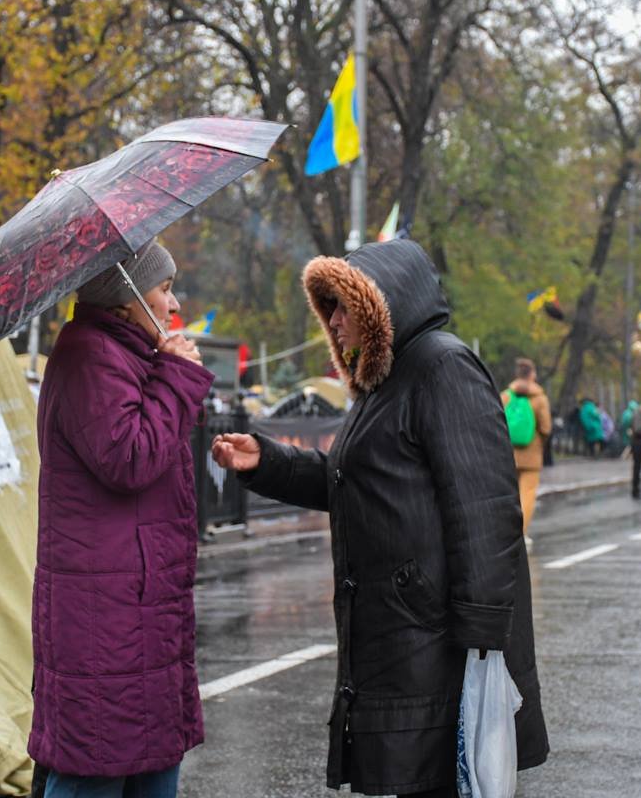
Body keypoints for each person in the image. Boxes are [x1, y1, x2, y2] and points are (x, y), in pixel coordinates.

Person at [211, 240, 548, 797]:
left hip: (441, 645)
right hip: (407, 639)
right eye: (330, 308)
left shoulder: (443, 365)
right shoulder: (383, 382)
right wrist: (267, 463)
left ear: (378, 307)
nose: (333, 321)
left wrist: (482, 645)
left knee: (439, 783)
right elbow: (358, 483)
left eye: (343, 306)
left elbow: (485, 510)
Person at [29, 242, 213, 798]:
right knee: (99, 767)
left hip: (138, 609)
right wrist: (177, 376)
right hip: (105, 620)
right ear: (124, 295)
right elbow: (128, 458)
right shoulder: (89, 355)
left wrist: (169, 373)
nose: (174, 303)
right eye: (162, 288)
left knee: (149, 758)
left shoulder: (126, 354)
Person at [502, 358, 553, 548]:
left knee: (509, 495)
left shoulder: (506, 396)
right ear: (532, 374)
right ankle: (520, 535)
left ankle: (505, 533)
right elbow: (546, 427)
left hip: (507, 453)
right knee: (527, 494)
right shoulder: (539, 398)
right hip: (531, 455)